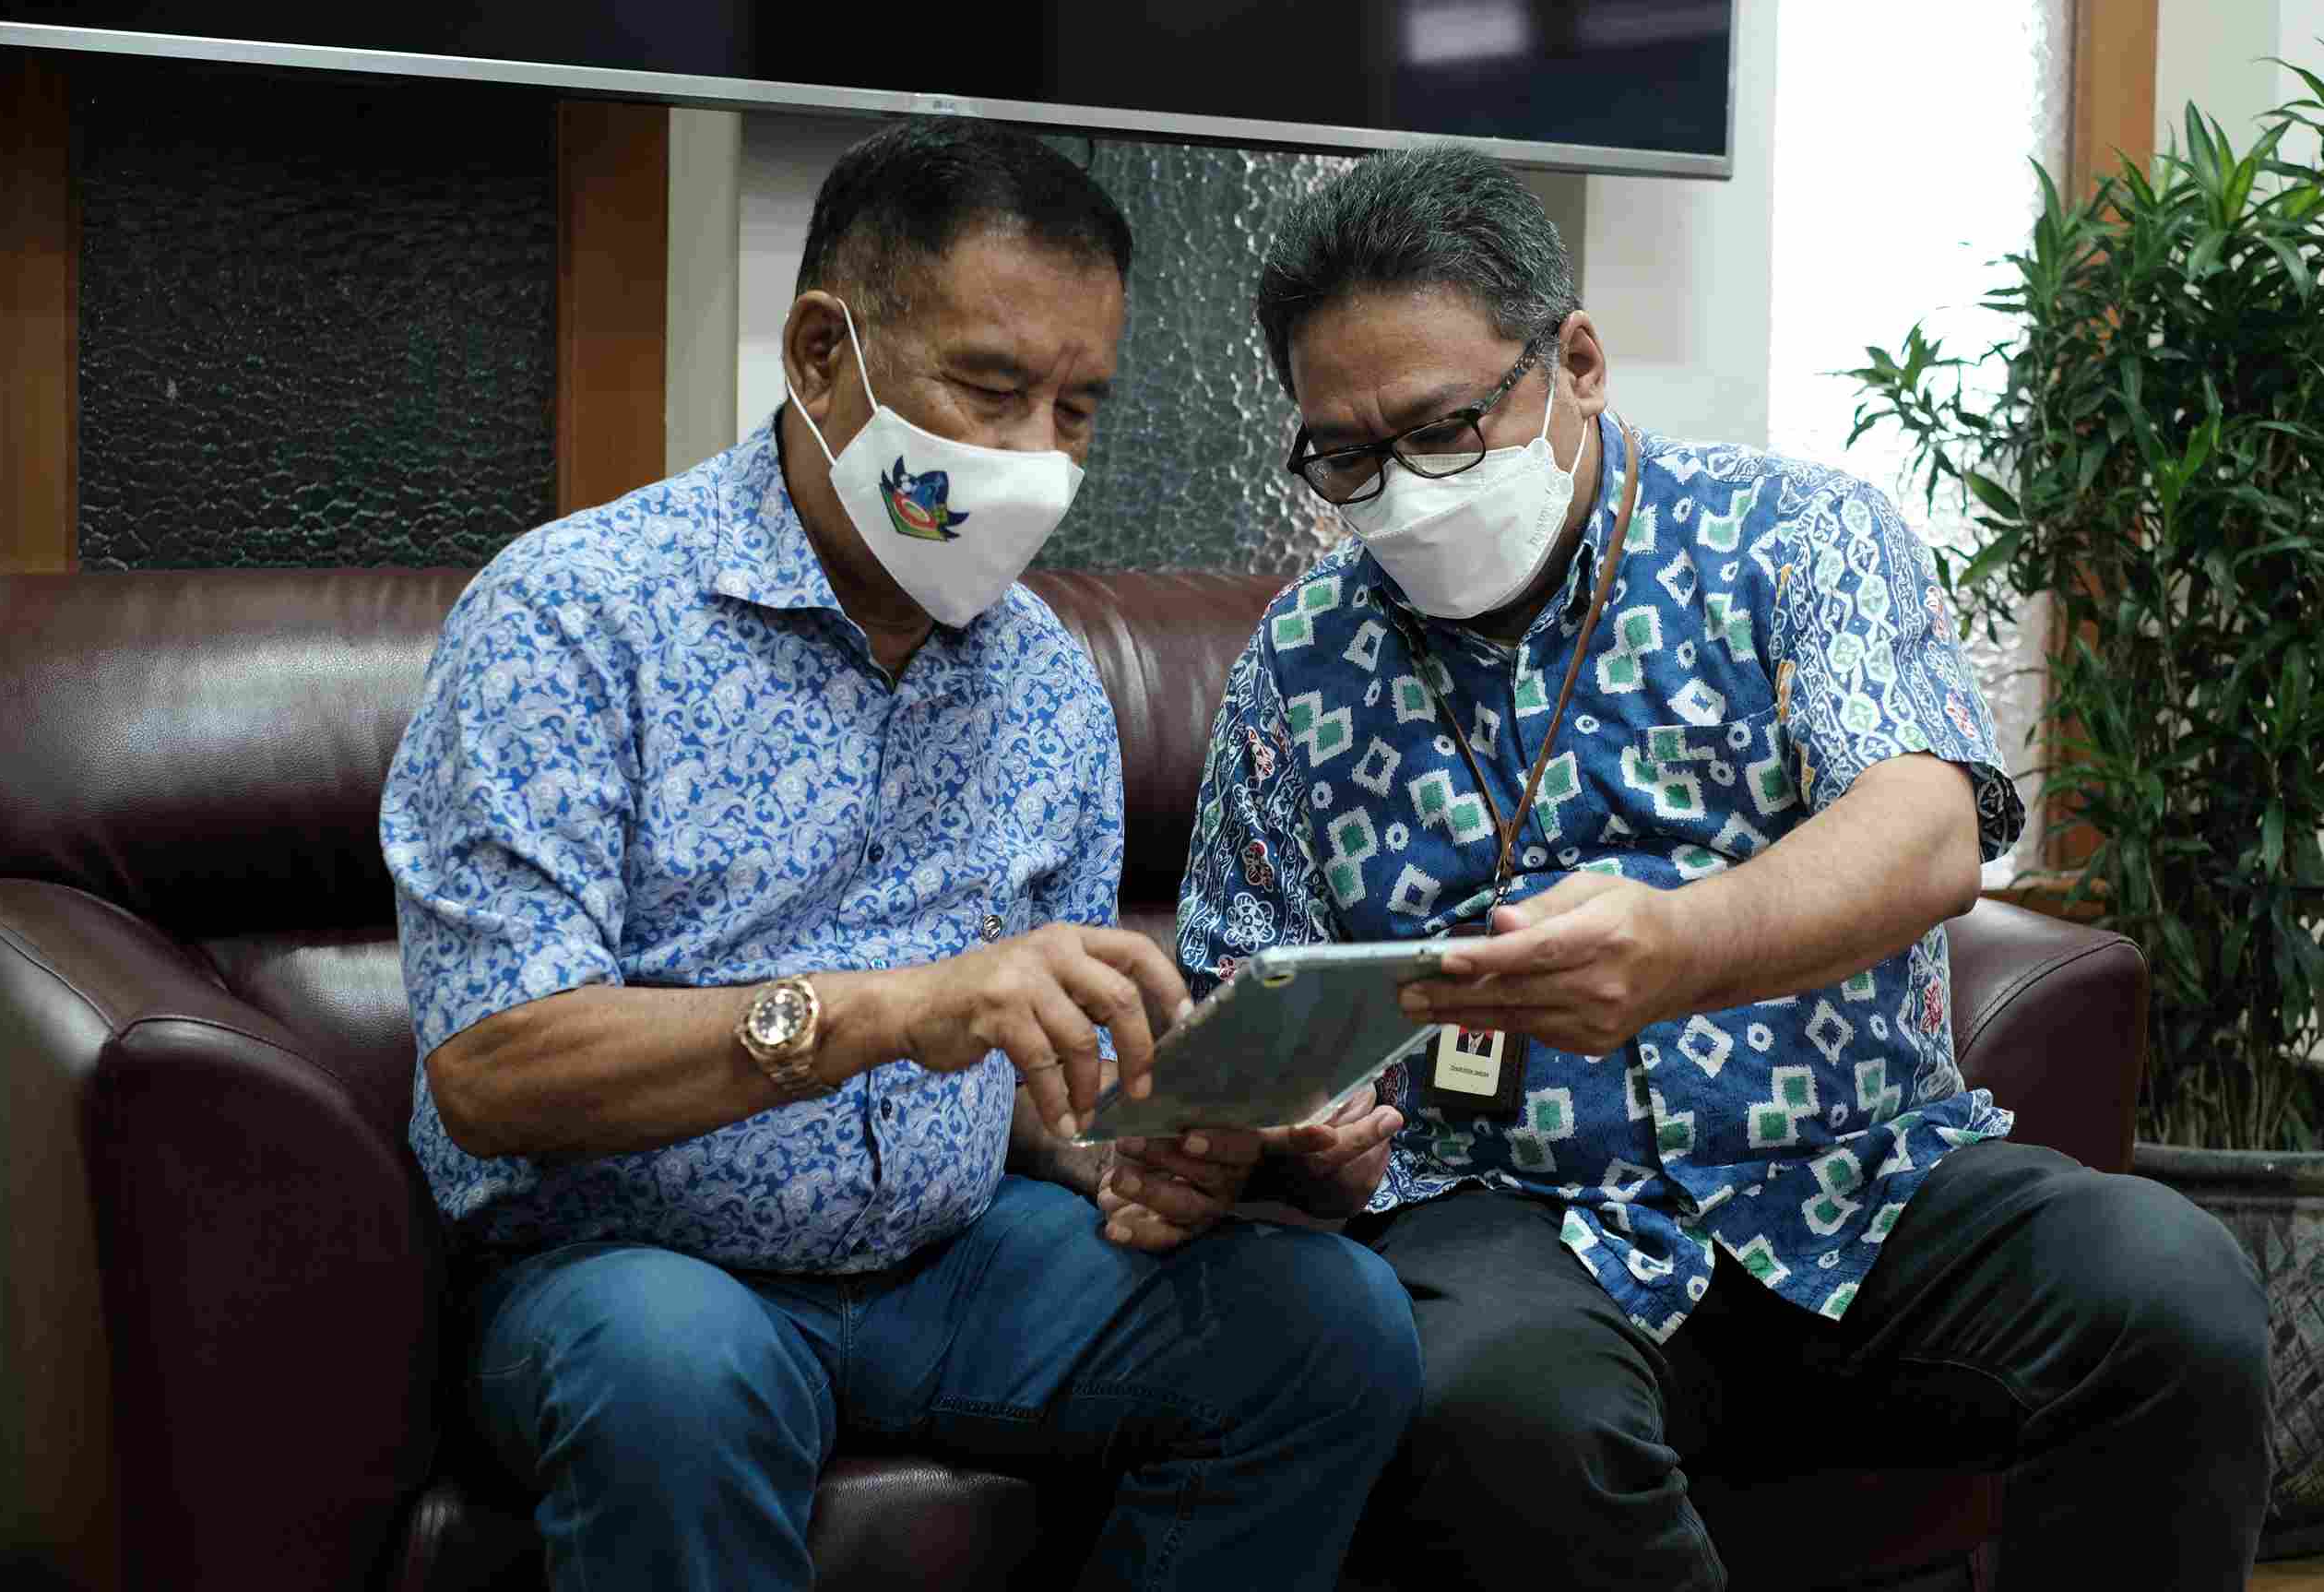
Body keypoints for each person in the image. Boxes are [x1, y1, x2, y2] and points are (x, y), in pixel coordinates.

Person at [1168, 146, 2270, 1590]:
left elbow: (1927, 824)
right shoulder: (1301, 659)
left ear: (1574, 363)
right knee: (1497, 1407)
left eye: (1441, 430)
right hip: (1511, 1208)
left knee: (2171, 1289)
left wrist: (1681, 946)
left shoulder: (1793, 536)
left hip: (1855, 1177)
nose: (1401, 493)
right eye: (1346, 456)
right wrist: (1297, 1136)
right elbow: (1244, 991)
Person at [380, 117, 1421, 1592]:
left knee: (1329, 1325)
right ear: (823, 354)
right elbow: (490, 1071)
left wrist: (1196, 1149)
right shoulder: (571, 617)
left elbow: (1047, 1095)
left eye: (1076, 408)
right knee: (674, 1367)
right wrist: (889, 1010)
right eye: (991, 390)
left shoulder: (1047, 680)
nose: (1037, 457)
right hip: (632, 1264)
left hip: (957, 1262)